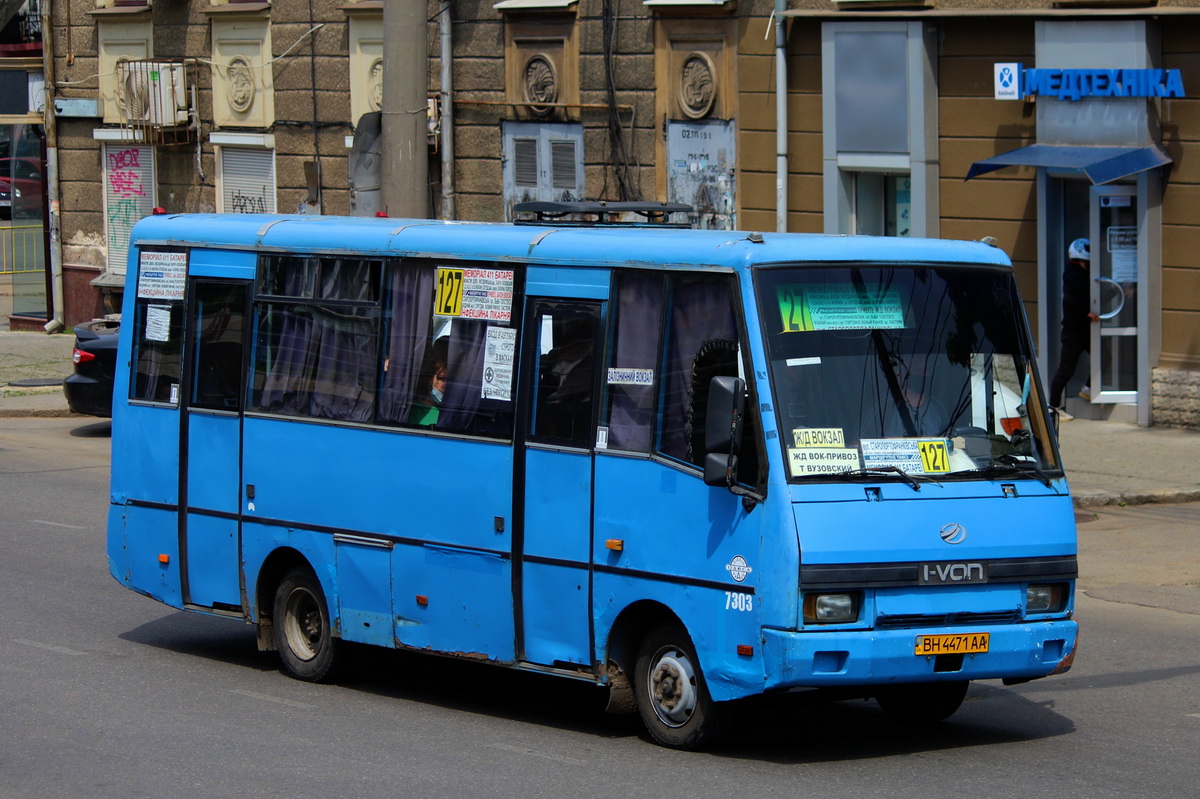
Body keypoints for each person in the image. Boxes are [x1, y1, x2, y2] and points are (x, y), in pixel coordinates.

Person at [1049, 238, 1100, 420]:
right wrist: (1087, 313)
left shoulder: (1082, 273)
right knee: (1065, 370)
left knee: (1103, 356)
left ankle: (1088, 388)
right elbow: (1071, 299)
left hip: (1083, 330)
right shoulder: (1074, 275)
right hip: (1073, 332)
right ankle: (1053, 407)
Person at [408, 338, 449, 427]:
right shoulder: (413, 410)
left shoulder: (455, 413)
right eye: (441, 378)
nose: (446, 385)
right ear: (428, 379)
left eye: (450, 380)